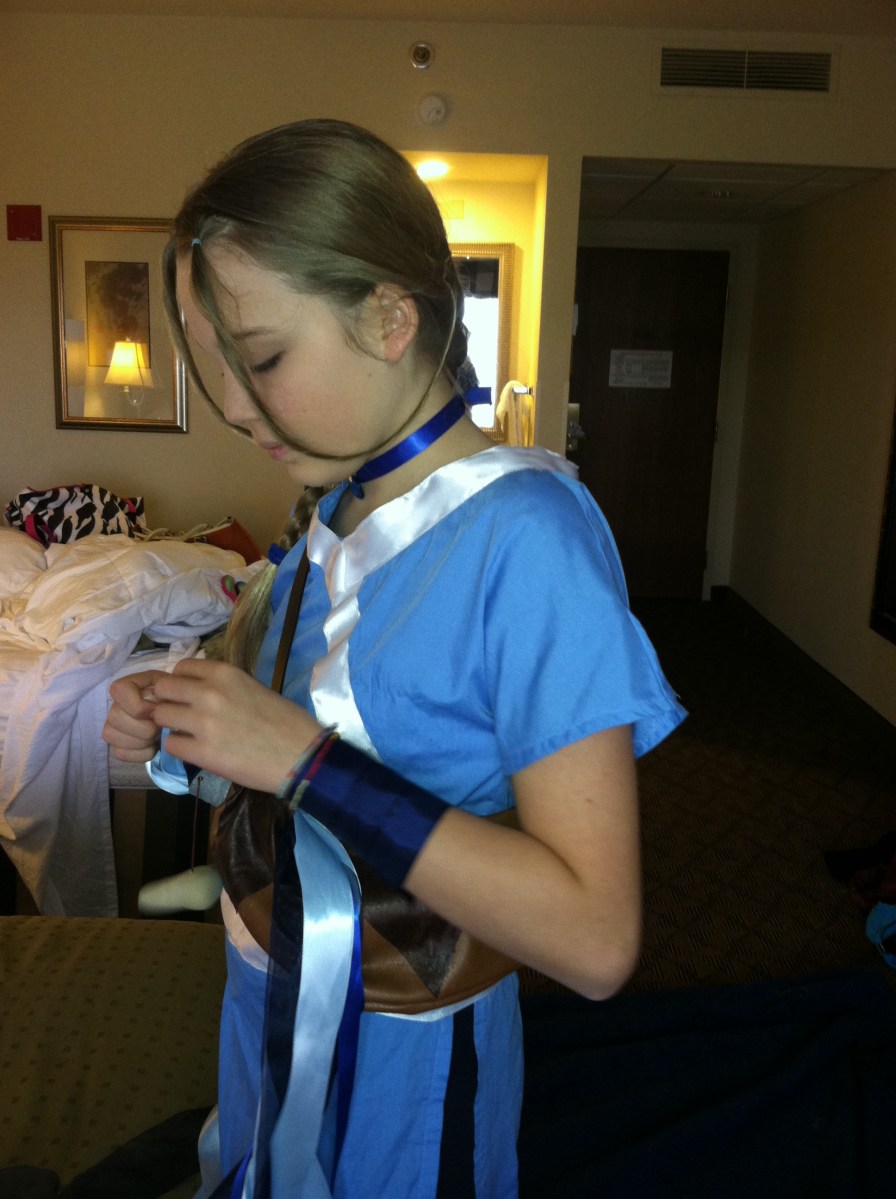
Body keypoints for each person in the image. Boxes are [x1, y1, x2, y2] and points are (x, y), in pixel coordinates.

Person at [102, 118, 685, 1199]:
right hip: (268, 999)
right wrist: (184, 724)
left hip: (405, 1057)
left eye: (262, 358)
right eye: (215, 365)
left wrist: (306, 762)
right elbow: (299, 733)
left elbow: (596, 939)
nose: (233, 407)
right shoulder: (335, 507)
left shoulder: (527, 542)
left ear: (388, 316)